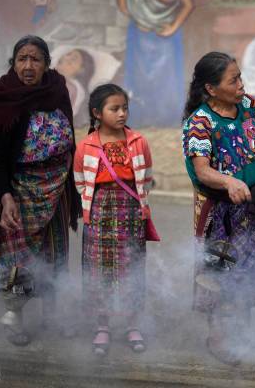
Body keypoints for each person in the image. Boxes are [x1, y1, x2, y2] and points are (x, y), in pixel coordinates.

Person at [182, 52, 255, 365]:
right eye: (233, 80)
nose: (242, 84)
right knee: (222, 271)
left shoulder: (250, 105)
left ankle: (245, 331)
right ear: (211, 89)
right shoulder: (199, 122)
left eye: (240, 77)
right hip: (224, 212)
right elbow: (201, 170)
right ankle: (219, 335)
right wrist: (229, 182)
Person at [0, 35, 81, 346]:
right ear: (13, 63)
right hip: (19, 193)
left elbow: (71, 138)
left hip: (58, 189)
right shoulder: (5, 97)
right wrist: (4, 196)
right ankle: (15, 319)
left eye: (35, 59)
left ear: (46, 64)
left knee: (55, 255)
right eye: (22, 58)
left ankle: (52, 316)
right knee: (18, 259)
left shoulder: (56, 88)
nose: (28, 65)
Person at [74, 83, 157, 357]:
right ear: (97, 113)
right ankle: (103, 325)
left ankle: (132, 324)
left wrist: (138, 205)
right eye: (115, 108)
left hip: (130, 213)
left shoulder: (138, 142)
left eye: (125, 108)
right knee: (101, 271)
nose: (122, 113)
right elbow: (79, 181)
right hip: (99, 215)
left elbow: (145, 177)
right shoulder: (86, 146)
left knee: (131, 267)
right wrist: (95, 205)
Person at [114, 0, 195, 127]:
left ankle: (166, 119)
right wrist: (143, 17)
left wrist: (172, 27)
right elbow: (124, 6)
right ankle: (141, 118)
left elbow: (188, 4)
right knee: (138, 77)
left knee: (166, 78)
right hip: (140, 35)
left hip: (165, 37)